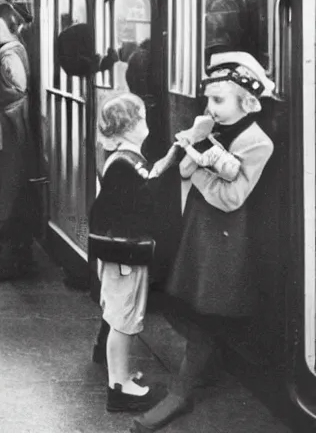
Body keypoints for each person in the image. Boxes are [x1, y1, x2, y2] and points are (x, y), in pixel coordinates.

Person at [133, 51, 276, 432]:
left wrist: (196, 166)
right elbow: (181, 166)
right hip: (198, 230)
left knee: (202, 313)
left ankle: (181, 391)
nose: (209, 108)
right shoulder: (213, 128)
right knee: (181, 304)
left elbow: (231, 198)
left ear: (245, 101)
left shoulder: (258, 143)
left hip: (226, 243)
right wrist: (194, 156)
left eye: (218, 100)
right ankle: (202, 365)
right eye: (209, 100)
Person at [89, 92, 178, 413]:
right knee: (123, 320)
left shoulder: (122, 159)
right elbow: (146, 197)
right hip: (125, 258)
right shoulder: (125, 165)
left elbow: (147, 178)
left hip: (119, 255)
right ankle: (120, 388)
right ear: (127, 127)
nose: (146, 123)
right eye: (140, 118)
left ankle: (121, 375)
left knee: (119, 317)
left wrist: (169, 159)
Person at [0, 0, 38, 281]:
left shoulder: (10, 54)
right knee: (2, 193)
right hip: (2, 132)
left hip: (8, 133)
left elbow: (18, 90)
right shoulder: (7, 51)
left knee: (6, 195)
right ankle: (1, 254)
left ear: (11, 25)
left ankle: (8, 260)